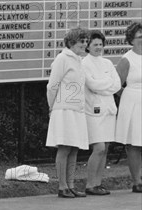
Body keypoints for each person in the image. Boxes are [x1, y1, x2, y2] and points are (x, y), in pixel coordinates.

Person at [46, 27, 89, 198]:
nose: (84, 44)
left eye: (86, 41)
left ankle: (71, 185)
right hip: (63, 110)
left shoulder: (79, 60)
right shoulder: (62, 58)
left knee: (74, 148)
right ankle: (62, 186)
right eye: (81, 41)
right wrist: (52, 107)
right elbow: (52, 86)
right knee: (64, 148)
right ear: (71, 42)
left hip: (77, 111)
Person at [82, 30, 121, 195]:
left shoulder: (108, 63)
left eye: (100, 44)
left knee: (105, 148)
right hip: (93, 111)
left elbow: (117, 85)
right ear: (88, 46)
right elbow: (92, 85)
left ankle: (98, 183)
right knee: (97, 148)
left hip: (109, 110)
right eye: (95, 44)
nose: (98, 47)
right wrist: (107, 84)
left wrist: (103, 85)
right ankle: (90, 184)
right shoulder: (84, 63)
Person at [115, 22, 142, 193]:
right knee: (134, 144)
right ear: (131, 39)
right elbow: (116, 85)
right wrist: (128, 96)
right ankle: (136, 181)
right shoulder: (127, 59)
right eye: (140, 37)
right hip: (133, 102)